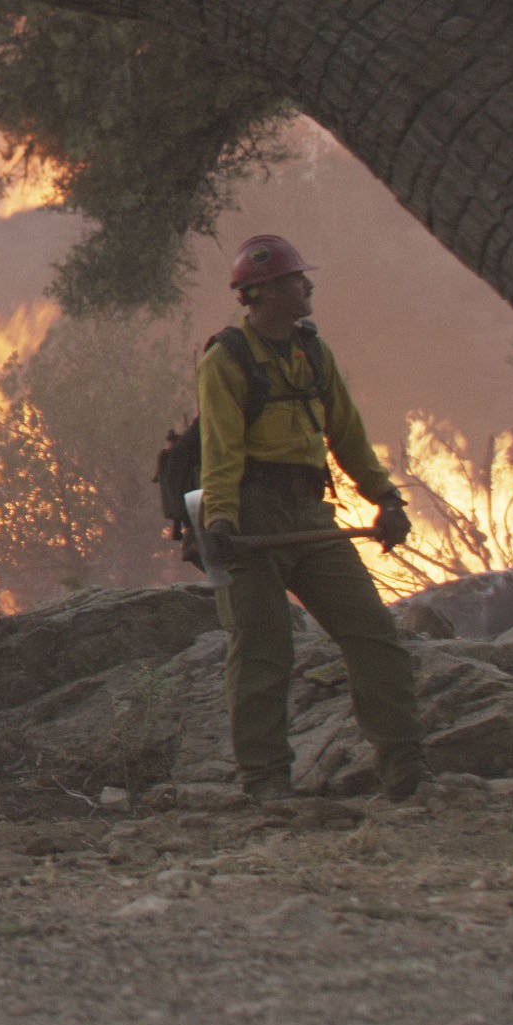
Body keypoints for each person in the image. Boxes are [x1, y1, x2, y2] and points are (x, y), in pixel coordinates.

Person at [199, 234, 426, 801]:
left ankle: (405, 776)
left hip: (311, 513)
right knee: (261, 652)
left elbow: (347, 436)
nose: (308, 288)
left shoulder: (312, 354)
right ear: (267, 291)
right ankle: (266, 784)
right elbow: (220, 454)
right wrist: (222, 522)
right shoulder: (225, 360)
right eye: (298, 280)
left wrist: (386, 497)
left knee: (375, 636)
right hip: (250, 520)